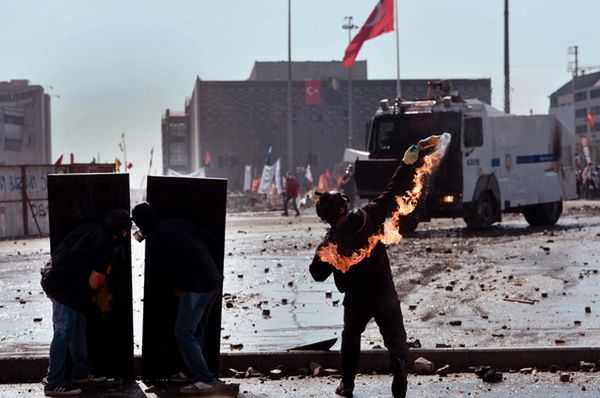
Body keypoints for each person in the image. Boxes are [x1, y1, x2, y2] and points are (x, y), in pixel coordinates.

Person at [309, 141, 426, 398]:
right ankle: (398, 365)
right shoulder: (368, 215)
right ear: (343, 206)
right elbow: (393, 191)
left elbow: (316, 274)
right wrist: (406, 165)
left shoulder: (331, 242)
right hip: (383, 289)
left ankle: (347, 385)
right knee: (395, 337)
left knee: (351, 337)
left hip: (356, 298)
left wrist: (324, 252)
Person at [131, 202, 236, 396]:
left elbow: (164, 272)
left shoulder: (156, 238)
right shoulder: (177, 224)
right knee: (195, 330)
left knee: (183, 331)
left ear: (141, 224)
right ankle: (192, 371)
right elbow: (208, 237)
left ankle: (205, 379)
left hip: (197, 285)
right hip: (212, 278)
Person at [41, 209, 131, 396]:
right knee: (64, 331)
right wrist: (107, 271)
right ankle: (53, 382)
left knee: (77, 326)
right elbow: (94, 282)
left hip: (55, 277)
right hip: (63, 287)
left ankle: (80, 373)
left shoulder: (87, 228)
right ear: (122, 231)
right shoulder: (107, 245)